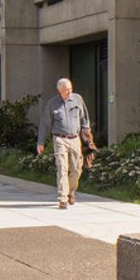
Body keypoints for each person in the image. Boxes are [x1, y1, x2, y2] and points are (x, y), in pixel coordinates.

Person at [35, 77, 96, 208]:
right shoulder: (52, 104)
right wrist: (40, 142)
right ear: (60, 91)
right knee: (62, 168)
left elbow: (84, 116)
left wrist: (87, 130)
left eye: (70, 90)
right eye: (66, 91)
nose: (69, 93)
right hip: (59, 138)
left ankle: (71, 192)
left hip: (75, 138)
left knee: (76, 169)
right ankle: (62, 198)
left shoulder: (77, 99)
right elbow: (45, 124)